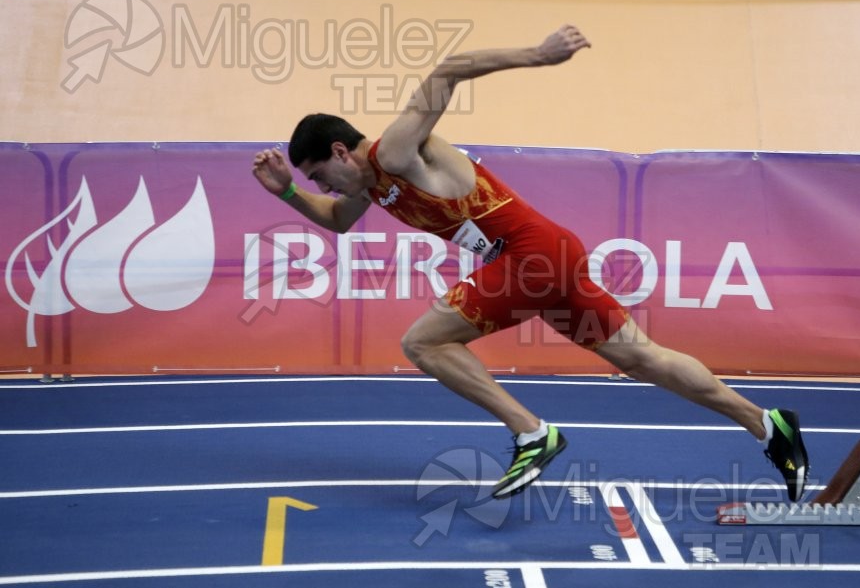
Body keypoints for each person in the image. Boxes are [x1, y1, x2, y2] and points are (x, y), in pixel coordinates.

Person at [252, 25, 809, 501]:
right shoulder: (369, 190)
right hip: (546, 264)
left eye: (318, 174)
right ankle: (766, 424)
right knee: (642, 359)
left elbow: (447, 70)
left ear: (341, 153)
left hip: (533, 257)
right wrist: (286, 195)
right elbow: (336, 220)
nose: (321, 185)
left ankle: (530, 433)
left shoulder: (395, 152)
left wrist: (538, 56)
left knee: (422, 342)